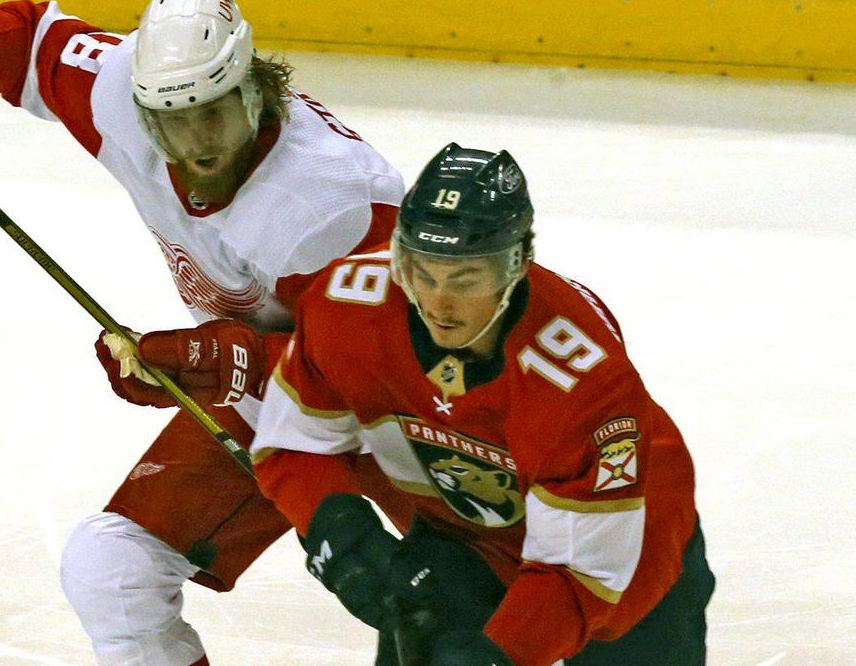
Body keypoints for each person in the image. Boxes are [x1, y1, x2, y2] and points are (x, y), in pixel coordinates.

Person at [0, 0, 415, 666]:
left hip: (407, 413)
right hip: (277, 377)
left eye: (213, 116)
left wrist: (227, 358)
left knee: (462, 613)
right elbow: (34, 42)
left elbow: (389, 365)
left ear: (254, 89)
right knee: (111, 570)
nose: (197, 147)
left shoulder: (327, 203)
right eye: (172, 123)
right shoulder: (121, 97)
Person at [252, 144, 716, 665]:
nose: (438, 304)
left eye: (465, 280)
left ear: (515, 265)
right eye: (423, 273)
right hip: (465, 539)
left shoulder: (583, 381)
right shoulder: (345, 307)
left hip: (621, 549)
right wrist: (343, 535)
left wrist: (499, 656)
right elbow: (293, 444)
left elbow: (579, 576)